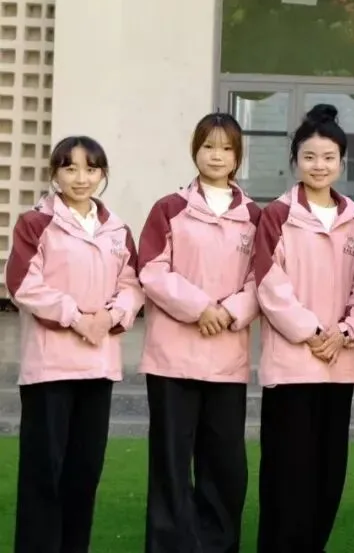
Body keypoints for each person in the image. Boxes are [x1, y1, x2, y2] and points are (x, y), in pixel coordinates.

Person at [5, 136, 143, 553]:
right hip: (50, 368)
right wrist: (77, 317)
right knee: (43, 475)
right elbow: (23, 284)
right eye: (70, 168)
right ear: (55, 174)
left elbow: (132, 285)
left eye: (91, 168)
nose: (81, 178)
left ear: (102, 174)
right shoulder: (35, 224)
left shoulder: (117, 229)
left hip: (99, 365)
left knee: (84, 475)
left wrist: (110, 317)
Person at [252, 104, 354, 553]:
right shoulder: (277, 216)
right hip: (292, 363)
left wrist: (345, 332)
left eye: (328, 157)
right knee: (287, 472)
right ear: (295, 160)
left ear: (342, 161)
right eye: (309, 157)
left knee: (328, 470)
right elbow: (269, 283)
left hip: (339, 362)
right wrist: (311, 332)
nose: (318, 165)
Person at [137, 113, 262, 553]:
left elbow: (262, 278)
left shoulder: (254, 215)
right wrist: (199, 308)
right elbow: (151, 270)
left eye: (227, 148)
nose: (217, 156)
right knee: (170, 463)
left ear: (238, 157)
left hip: (226, 358)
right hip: (173, 358)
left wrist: (228, 311)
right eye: (209, 146)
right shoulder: (169, 208)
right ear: (195, 150)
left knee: (224, 464)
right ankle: (169, 545)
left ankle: (218, 544)